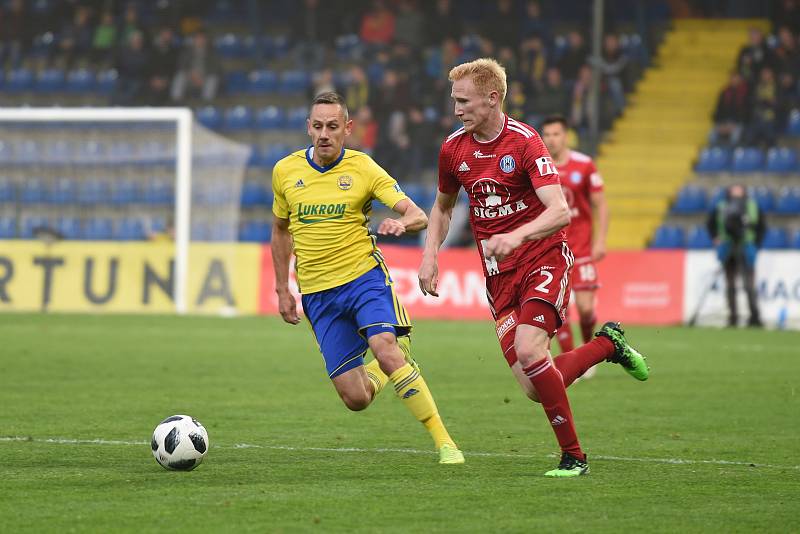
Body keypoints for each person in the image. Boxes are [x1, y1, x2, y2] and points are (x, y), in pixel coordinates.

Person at [419, 59, 648, 477]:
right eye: (454, 100)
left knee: (529, 350)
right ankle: (607, 346)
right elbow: (442, 206)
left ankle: (574, 457)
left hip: (543, 257)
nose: (455, 109)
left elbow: (560, 211)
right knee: (533, 387)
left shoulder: (525, 143)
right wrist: (430, 253)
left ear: (492, 99)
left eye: (463, 100)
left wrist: (517, 236)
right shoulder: (453, 148)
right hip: (499, 277)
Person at [271, 92, 464, 465]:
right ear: (307, 128)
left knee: (384, 345)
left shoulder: (364, 168)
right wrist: (283, 288)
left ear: (348, 128)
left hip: (363, 279)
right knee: (356, 399)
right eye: (317, 126)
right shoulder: (285, 171)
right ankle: (386, 365)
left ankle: (445, 443)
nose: (324, 134)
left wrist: (402, 222)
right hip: (317, 295)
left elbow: (419, 215)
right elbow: (280, 231)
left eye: (332, 126)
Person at [541, 115, 609, 378]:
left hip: (581, 249)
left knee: (586, 309)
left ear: (566, 136)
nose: (551, 139)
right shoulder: (540, 166)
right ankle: (573, 364)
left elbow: (600, 204)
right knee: (560, 310)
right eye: (547, 134)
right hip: (553, 249)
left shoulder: (585, 165)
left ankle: (589, 348)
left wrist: (600, 240)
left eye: (556, 134)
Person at [706, 184, 765, 328]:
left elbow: (761, 226)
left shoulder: (752, 206)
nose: (736, 192)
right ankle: (733, 317)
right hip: (728, 246)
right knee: (730, 283)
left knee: (749, 284)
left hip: (745, 246)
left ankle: (754, 316)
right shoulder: (721, 206)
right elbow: (710, 223)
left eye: (739, 189)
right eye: (734, 189)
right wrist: (715, 237)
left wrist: (756, 243)